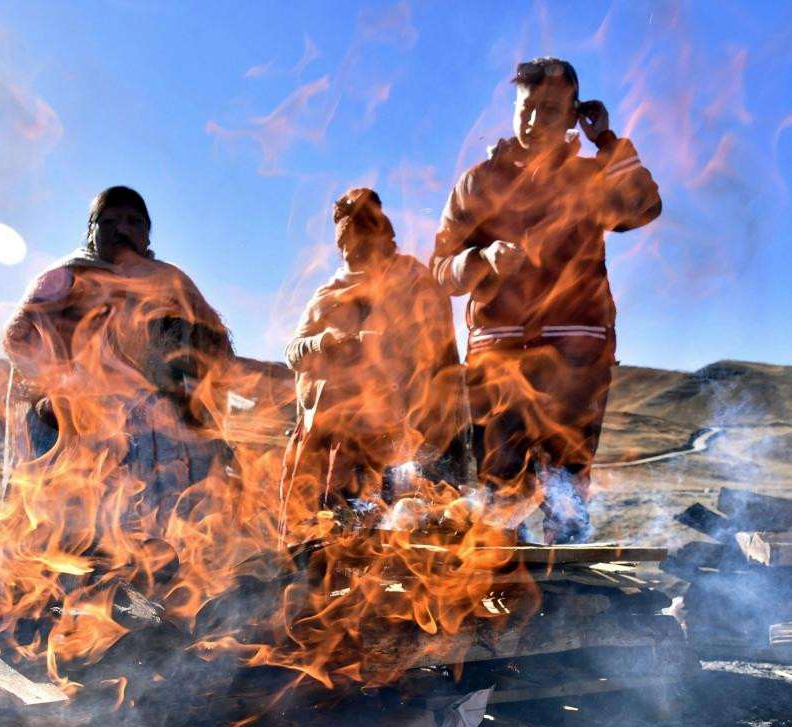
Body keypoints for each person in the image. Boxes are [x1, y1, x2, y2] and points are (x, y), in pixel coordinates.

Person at [430, 57, 662, 543]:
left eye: (552, 111)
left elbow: (643, 208)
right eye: (527, 108)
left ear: (573, 114)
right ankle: (496, 604)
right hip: (497, 360)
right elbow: (441, 271)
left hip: (576, 361)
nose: (535, 122)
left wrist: (606, 140)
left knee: (567, 491)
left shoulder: (588, 177)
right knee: (499, 497)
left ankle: (568, 608)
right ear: (513, 108)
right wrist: (484, 259)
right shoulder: (477, 183)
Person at [2, 186, 234, 532]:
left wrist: (189, 401)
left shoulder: (170, 282)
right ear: (91, 230)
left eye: (133, 222)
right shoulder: (65, 276)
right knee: (64, 529)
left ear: (147, 234)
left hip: (148, 434)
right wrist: (61, 388)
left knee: (145, 536)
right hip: (69, 427)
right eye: (109, 221)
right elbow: (17, 338)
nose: (122, 229)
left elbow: (216, 345)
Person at [281, 188, 469, 522]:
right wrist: (321, 342)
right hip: (341, 442)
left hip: (403, 434)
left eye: (365, 241)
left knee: (409, 529)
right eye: (348, 247)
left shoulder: (413, 280)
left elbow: (439, 354)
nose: (356, 254)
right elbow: (293, 353)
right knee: (343, 538)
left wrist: (391, 345)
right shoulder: (328, 294)